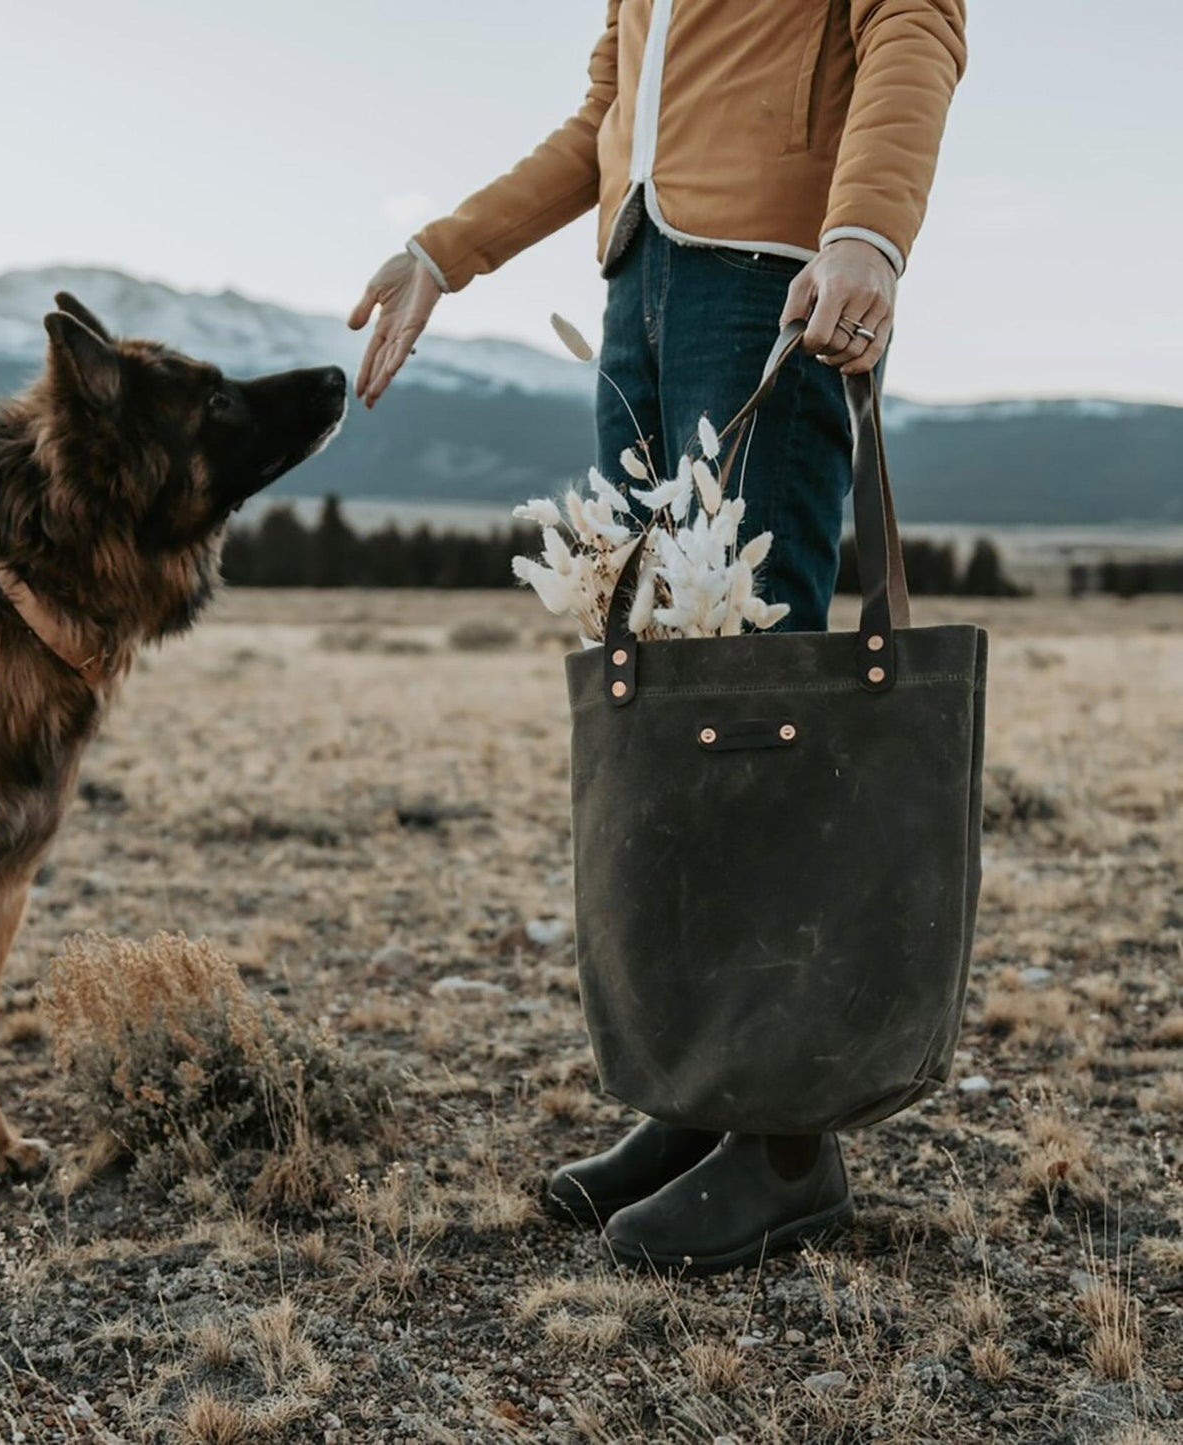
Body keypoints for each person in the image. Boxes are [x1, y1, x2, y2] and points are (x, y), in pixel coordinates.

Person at [349, 1, 967, 1274]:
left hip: (770, 286)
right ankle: (700, 1093)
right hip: (637, 297)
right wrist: (441, 250)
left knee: (761, 694)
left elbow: (914, 25)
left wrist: (866, 235)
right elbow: (602, 124)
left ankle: (787, 1142)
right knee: (671, 698)